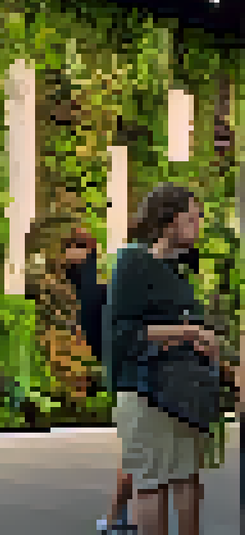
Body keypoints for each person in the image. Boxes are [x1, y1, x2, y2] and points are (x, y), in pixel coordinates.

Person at [105, 184, 232, 535]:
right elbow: (123, 332)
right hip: (146, 390)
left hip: (182, 394)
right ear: (169, 219)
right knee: (151, 483)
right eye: (191, 219)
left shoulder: (176, 270)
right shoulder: (133, 261)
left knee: (187, 478)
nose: (198, 226)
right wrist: (190, 333)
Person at [57, 227, 136, 533]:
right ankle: (119, 515)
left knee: (136, 449)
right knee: (136, 448)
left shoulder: (96, 294)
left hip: (123, 366)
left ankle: (121, 515)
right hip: (125, 369)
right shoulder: (92, 294)